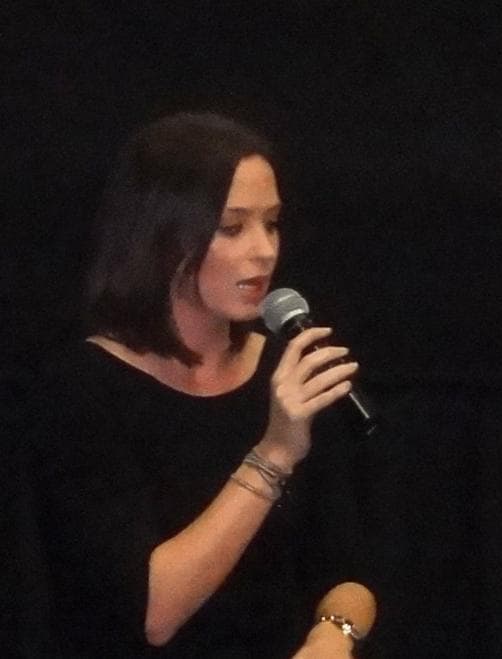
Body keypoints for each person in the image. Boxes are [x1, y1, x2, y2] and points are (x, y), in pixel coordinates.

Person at [28, 112, 373, 657]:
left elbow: (348, 570)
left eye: (272, 223)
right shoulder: (81, 391)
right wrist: (274, 454)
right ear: (161, 237)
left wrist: (335, 634)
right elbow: (154, 614)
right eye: (231, 227)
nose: (264, 251)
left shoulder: (285, 370)